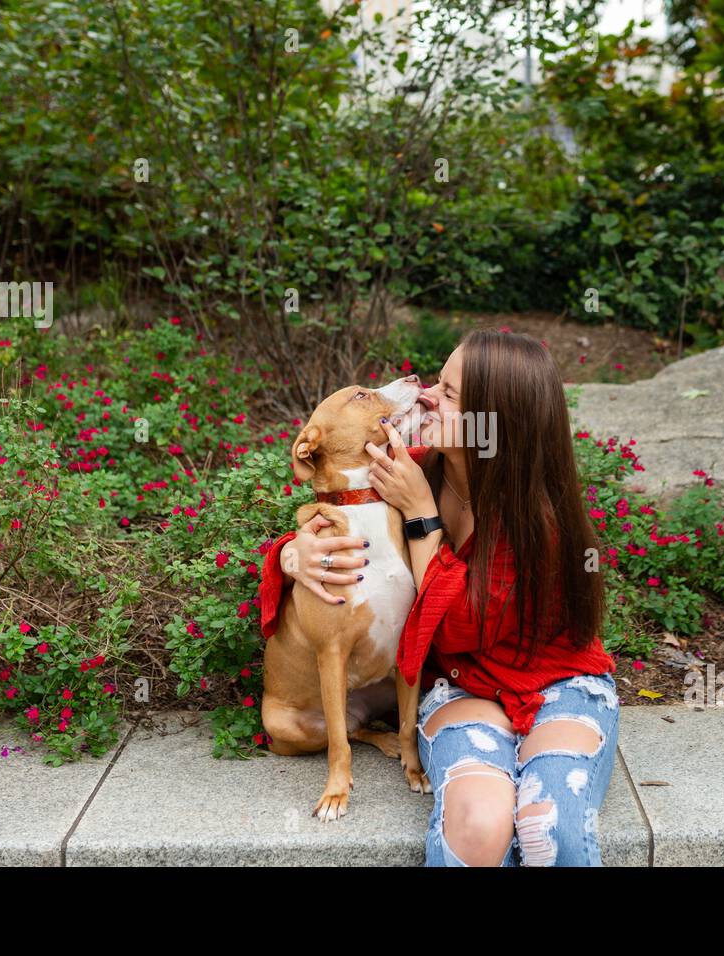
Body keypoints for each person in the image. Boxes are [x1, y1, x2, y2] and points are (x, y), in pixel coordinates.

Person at [258, 328, 619, 866]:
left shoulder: (535, 520)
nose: (425, 393)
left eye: (449, 394)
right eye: (438, 382)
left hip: (556, 684)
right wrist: (291, 555)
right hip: (461, 684)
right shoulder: (417, 466)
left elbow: (453, 627)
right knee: (478, 823)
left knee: (552, 827)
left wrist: (424, 517)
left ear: (491, 425)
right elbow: (343, 507)